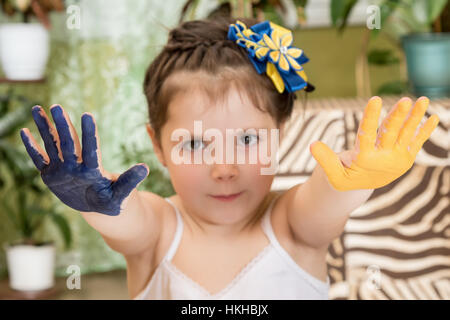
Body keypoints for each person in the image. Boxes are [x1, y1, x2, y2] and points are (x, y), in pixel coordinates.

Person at [20, 17, 440, 300]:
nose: (224, 169)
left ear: (280, 136)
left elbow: (321, 202)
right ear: (158, 144)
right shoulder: (160, 231)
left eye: (247, 139)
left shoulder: (291, 224)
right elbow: (130, 218)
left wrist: (351, 182)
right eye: (196, 144)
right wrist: (99, 205)